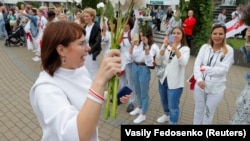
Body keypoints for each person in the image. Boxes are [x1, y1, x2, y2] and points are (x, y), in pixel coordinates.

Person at [29, 21, 130, 141]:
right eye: (82, 43)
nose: (88, 48)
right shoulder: (46, 88)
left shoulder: (79, 70)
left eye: (86, 41)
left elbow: (87, 96)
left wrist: (111, 97)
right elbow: (75, 135)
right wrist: (100, 80)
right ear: (61, 50)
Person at [193, 24, 234, 124]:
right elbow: (196, 65)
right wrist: (199, 80)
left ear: (224, 35)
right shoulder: (204, 47)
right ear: (211, 35)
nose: (217, 36)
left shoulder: (228, 50)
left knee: (208, 113)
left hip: (216, 89)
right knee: (198, 111)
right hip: (200, 86)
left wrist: (204, 68)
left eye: (220, 34)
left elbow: (223, 70)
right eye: (215, 33)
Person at [155, 27, 190, 124]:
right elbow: (159, 59)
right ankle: (166, 114)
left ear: (182, 36)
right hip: (163, 78)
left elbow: (183, 63)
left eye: (178, 33)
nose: (175, 35)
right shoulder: (167, 46)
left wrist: (175, 48)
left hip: (175, 82)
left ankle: (173, 122)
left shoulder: (185, 49)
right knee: (164, 100)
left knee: (173, 106)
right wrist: (164, 46)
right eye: (173, 33)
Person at [128, 25, 159, 123]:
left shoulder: (153, 46)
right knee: (137, 89)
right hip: (135, 66)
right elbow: (130, 56)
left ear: (148, 34)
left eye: (143, 33)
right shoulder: (138, 43)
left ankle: (143, 114)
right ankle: (139, 107)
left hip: (144, 68)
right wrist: (132, 45)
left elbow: (149, 61)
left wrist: (146, 46)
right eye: (140, 33)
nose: (141, 35)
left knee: (144, 92)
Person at [83, 7, 102, 80]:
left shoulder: (96, 27)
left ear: (92, 17)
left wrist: (90, 49)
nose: (85, 18)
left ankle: (95, 88)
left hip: (92, 52)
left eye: (87, 16)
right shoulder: (85, 27)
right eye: (84, 16)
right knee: (86, 71)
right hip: (85, 52)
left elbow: (98, 41)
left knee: (93, 71)